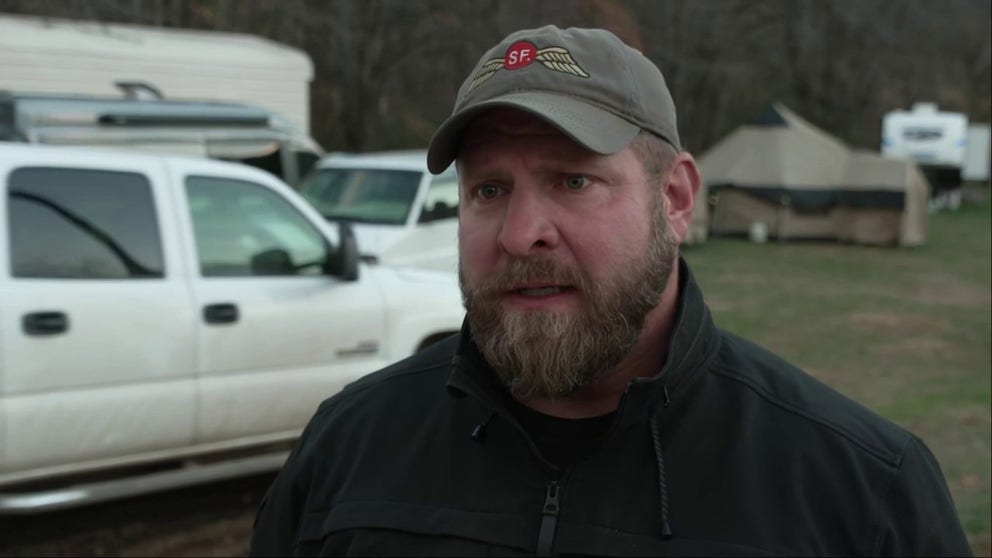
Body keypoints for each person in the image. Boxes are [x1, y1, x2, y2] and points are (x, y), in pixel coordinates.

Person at [250, 25, 971, 556]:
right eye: (489, 189)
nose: (520, 233)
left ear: (678, 199)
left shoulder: (860, 492)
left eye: (573, 180)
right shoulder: (348, 448)